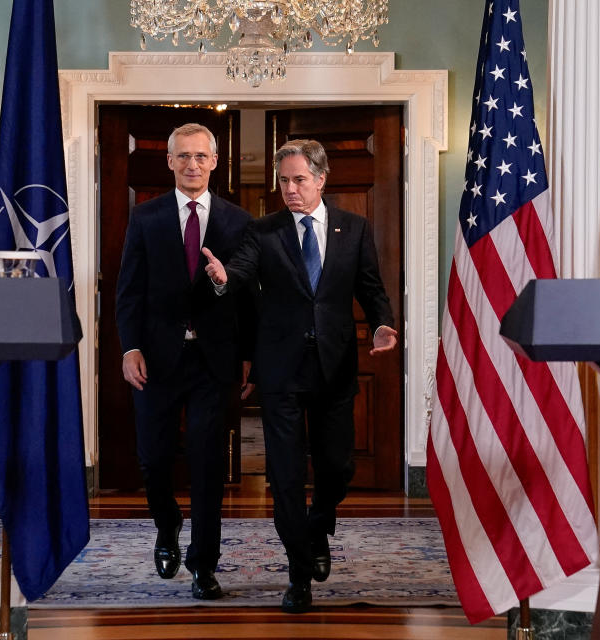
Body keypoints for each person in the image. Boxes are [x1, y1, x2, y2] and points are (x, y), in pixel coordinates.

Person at [203, 139, 398, 613]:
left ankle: (319, 524)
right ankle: (298, 575)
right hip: (281, 370)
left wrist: (382, 323)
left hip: (334, 367)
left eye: (299, 180)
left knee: (337, 467)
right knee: (285, 477)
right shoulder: (264, 230)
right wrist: (223, 277)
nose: (289, 189)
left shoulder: (354, 228)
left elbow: (370, 286)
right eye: (284, 181)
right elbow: (243, 270)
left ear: (321, 179)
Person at [116, 122, 254, 600]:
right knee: (153, 460)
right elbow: (128, 289)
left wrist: (249, 356)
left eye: (201, 156)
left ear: (214, 162)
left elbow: (249, 297)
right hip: (155, 359)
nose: (192, 165)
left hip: (214, 361)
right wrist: (129, 348)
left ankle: (204, 566)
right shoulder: (146, 216)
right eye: (183, 157)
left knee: (207, 463)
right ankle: (168, 524)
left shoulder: (238, 221)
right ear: (170, 162)